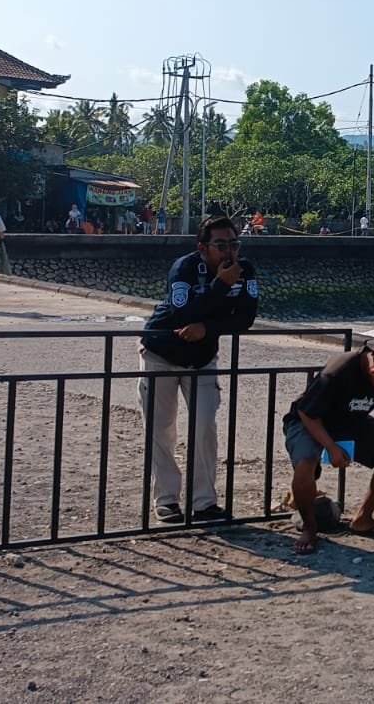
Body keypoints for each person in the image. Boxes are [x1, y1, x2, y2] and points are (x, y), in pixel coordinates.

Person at [138, 216, 259, 524]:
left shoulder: (244, 270)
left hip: (202, 358)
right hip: (161, 351)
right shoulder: (185, 268)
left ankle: (203, 502)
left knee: (205, 426)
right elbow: (182, 313)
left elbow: (245, 318)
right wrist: (220, 286)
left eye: (234, 244)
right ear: (203, 248)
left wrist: (207, 328)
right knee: (160, 429)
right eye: (221, 245)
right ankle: (167, 499)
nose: (229, 252)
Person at [283, 345, 374, 554]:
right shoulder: (338, 371)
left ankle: (363, 518)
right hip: (310, 421)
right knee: (305, 466)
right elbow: (306, 412)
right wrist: (331, 447)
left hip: (350, 421)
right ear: (373, 371)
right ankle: (309, 527)